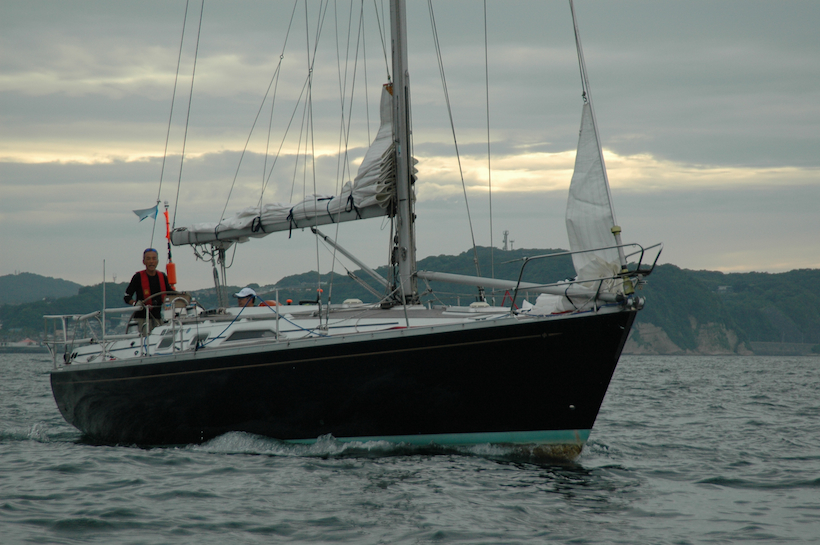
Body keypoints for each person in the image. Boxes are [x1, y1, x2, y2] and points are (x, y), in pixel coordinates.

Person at [124, 248, 173, 334]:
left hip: (158, 319)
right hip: (142, 319)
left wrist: (183, 295)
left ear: (157, 261)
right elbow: (127, 296)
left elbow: (171, 293)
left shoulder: (162, 277)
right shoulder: (138, 277)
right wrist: (135, 303)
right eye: (148, 259)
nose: (151, 262)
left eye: (154, 259)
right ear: (144, 262)